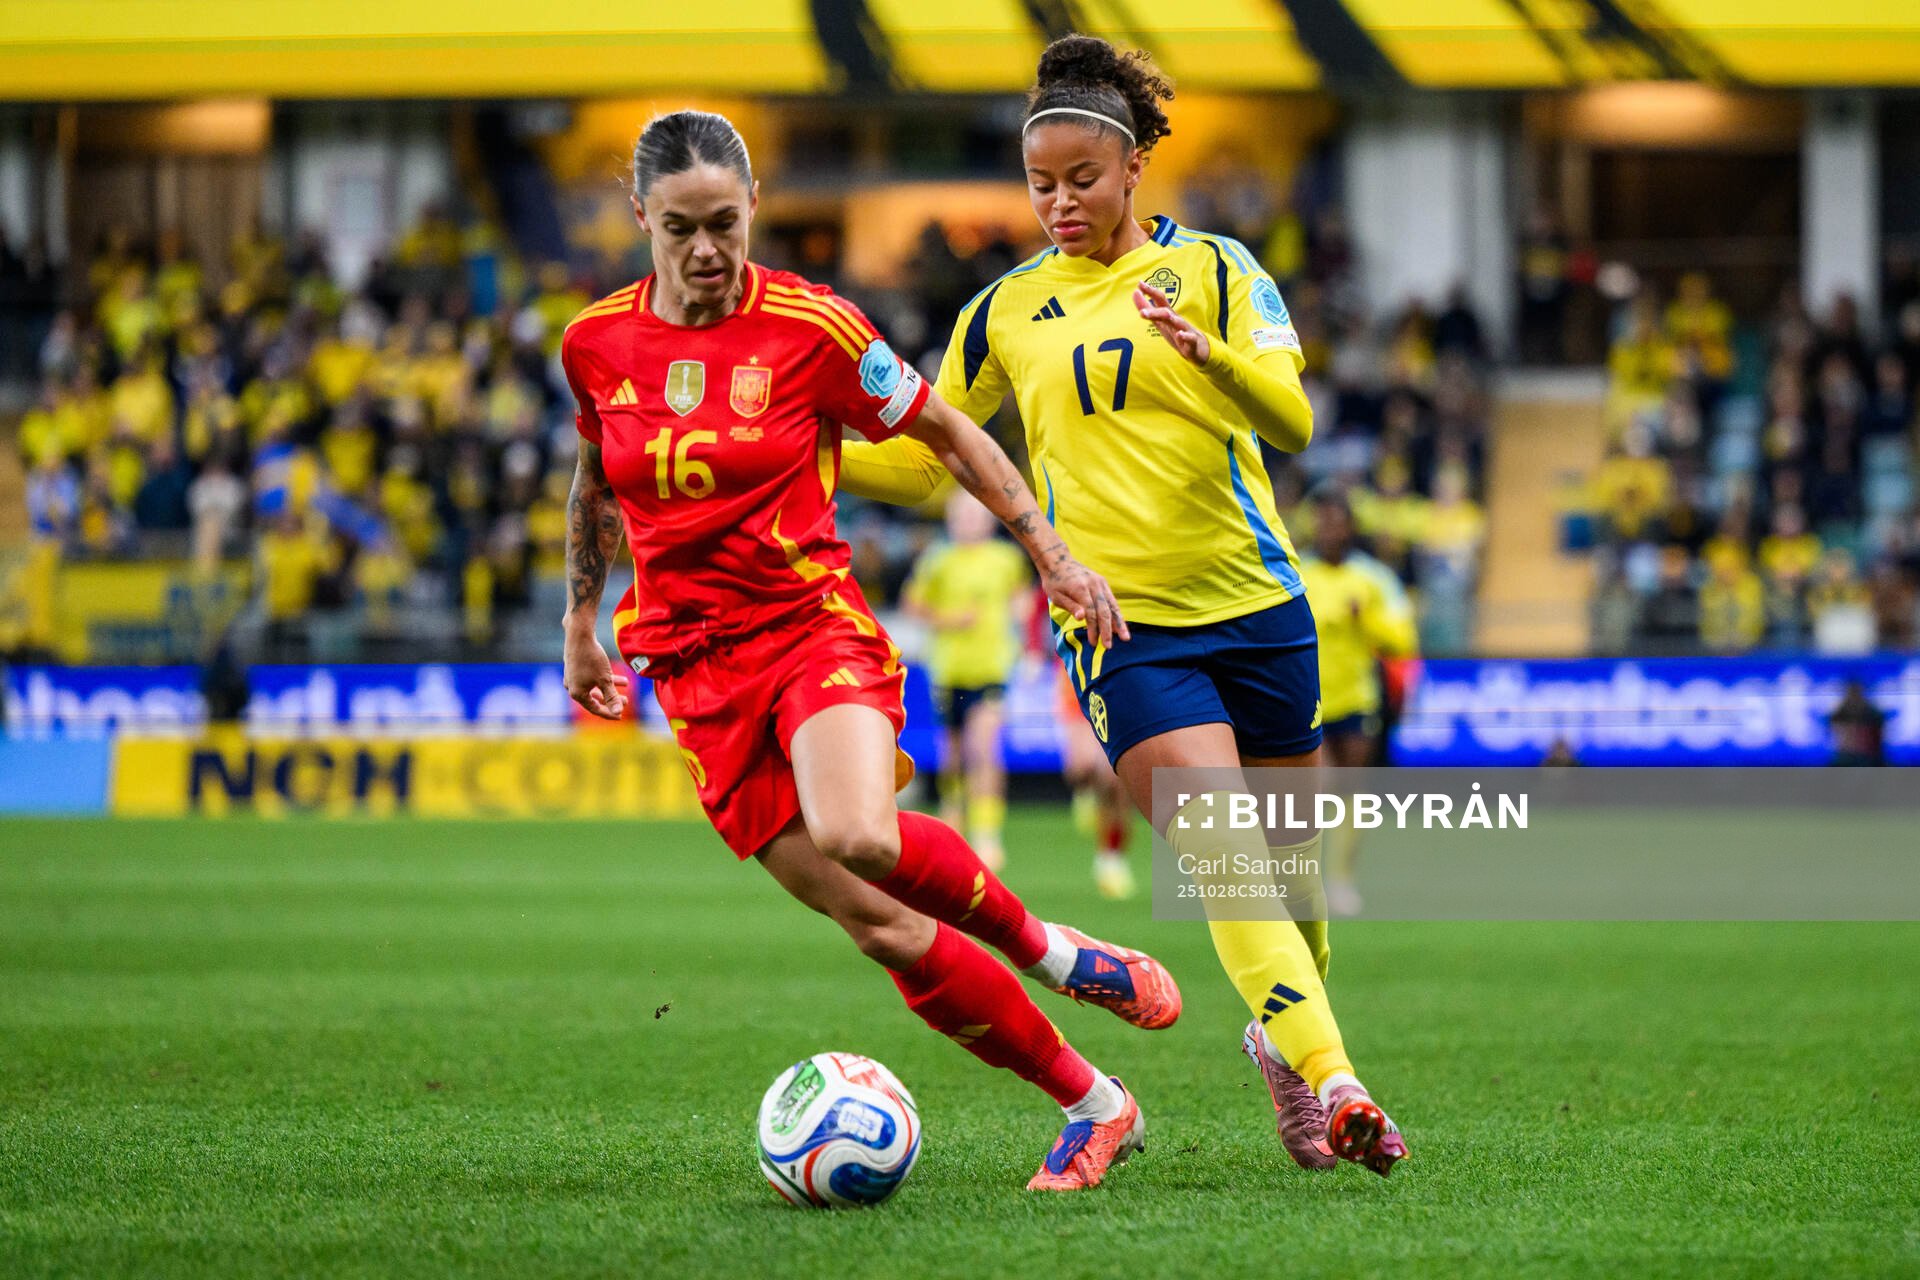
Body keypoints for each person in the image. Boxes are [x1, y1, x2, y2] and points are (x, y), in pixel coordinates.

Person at [559, 110, 1181, 1193]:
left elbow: (951, 432)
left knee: (857, 830)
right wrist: (578, 621)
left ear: (754, 207)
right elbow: (595, 481)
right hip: (692, 669)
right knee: (882, 927)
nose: (705, 250)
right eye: (679, 228)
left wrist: (1049, 554)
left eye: (723, 224)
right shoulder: (594, 343)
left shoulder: (815, 328)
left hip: (808, 625)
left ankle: (1057, 952)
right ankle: (1096, 1103)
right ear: (640, 217)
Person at [838, 36, 1407, 1177]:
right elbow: (920, 465)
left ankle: (1281, 1044)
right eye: (1039, 182)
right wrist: (792, 452)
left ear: (1136, 164)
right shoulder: (1002, 310)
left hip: (1259, 606)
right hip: (1124, 629)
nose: (1058, 202)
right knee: (1229, 860)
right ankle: (1340, 1080)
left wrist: (1208, 358)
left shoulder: (1220, 269)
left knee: (1295, 884)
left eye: (1081, 179)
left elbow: (1294, 421)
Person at [1297, 488, 1419, 916]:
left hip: (1356, 700)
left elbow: (1402, 639)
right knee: (1317, 790)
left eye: (1337, 520)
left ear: (1351, 526)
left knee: (1353, 793)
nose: (1329, 529)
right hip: (1307, 699)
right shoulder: (1296, 572)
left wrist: (1362, 618)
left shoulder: (1373, 579)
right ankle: (1305, 878)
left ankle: (1342, 879)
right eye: (1322, 520)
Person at [902, 490, 1029, 870]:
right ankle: (953, 818)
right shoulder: (938, 560)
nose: (970, 523)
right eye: (963, 516)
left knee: (984, 748)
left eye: (976, 516)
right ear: (951, 520)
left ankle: (987, 835)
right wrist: (949, 620)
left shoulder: (1006, 559)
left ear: (988, 521)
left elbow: (1022, 598)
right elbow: (913, 605)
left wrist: (1023, 624)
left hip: (992, 668)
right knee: (953, 754)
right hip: (949, 669)